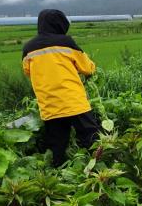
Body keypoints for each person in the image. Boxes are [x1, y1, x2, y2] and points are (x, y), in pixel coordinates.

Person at [22, 9, 101, 167]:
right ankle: (99, 168)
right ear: (60, 24)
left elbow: (27, 71)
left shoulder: (29, 48)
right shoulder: (67, 42)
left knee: (57, 144)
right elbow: (87, 68)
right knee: (91, 138)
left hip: (50, 105)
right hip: (73, 101)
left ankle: (58, 174)